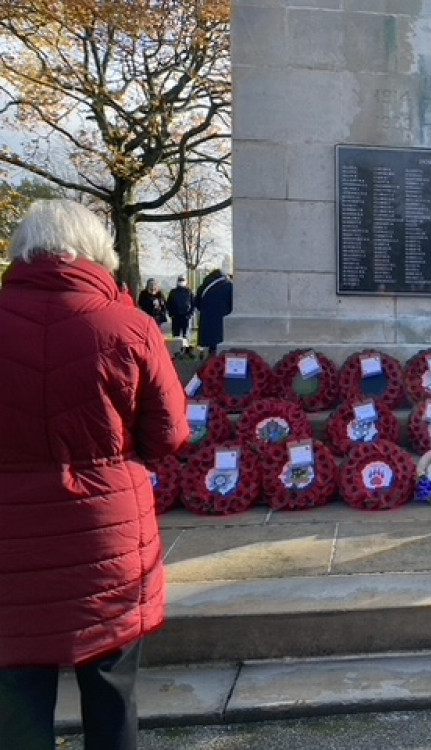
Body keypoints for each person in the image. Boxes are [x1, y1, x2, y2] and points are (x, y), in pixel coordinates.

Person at [0, 200, 189, 750]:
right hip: (105, 539)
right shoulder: (130, 326)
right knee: (111, 696)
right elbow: (170, 434)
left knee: (16, 699)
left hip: (11, 544)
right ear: (95, 252)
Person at [195, 264, 234, 354]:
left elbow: (197, 304)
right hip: (222, 321)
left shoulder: (203, 287)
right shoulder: (228, 286)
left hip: (206, 321)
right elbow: (232, 305)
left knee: (209, 348)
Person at [166, 274, 195, 339]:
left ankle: (186, 348)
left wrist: (190, 314)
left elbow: (193, 304)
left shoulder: (189, 292)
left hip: (186, 316)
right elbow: (168, 304)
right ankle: (176, 348)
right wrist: (171, 314)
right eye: (180, 280)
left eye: (182, 280)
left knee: (186, 335)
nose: (181, 281)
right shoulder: (173, 292)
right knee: (176, 336)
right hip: (176, 317)